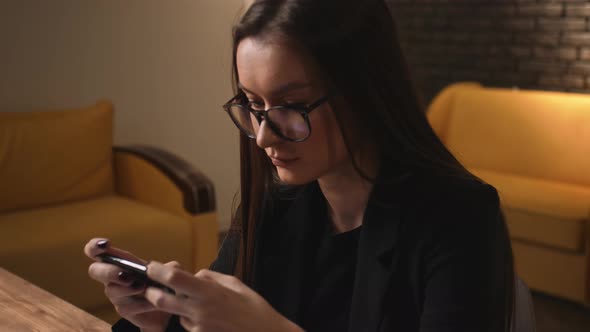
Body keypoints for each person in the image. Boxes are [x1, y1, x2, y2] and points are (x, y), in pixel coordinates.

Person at [84, 0, 515, 331]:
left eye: (292, 105)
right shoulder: (277, 206)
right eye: (253, 104)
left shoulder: (459, 217)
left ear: (365, 91)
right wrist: (163, 319)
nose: (265, 135)